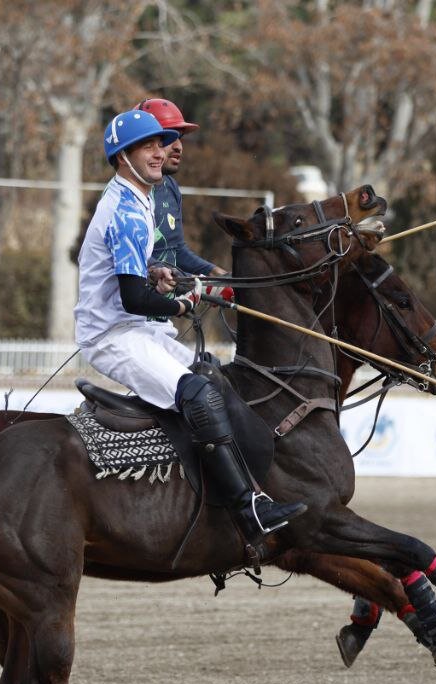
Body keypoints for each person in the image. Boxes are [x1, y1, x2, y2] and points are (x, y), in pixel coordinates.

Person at [74, 109, 306, 542]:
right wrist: (182, 303)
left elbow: (135, 275)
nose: (161, 152)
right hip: (111, 335)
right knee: (195, 392)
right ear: (123, 156)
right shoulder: (124, 209)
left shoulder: (140, 195)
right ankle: (245, 509)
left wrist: (156, 269)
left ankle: (243, 491)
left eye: (161, 144)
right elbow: (132, 298)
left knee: (211, 379)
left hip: (132, 327)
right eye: (150, 145)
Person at [133, 98, 229, 279]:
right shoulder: (126, 195)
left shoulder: (170, 187)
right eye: (168, 137)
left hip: (166, 304)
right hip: (132, 306)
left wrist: (216, 273)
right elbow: (133, 256)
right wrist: (189, 281)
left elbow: (176, 250)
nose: (178, 146)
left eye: (180, 137)